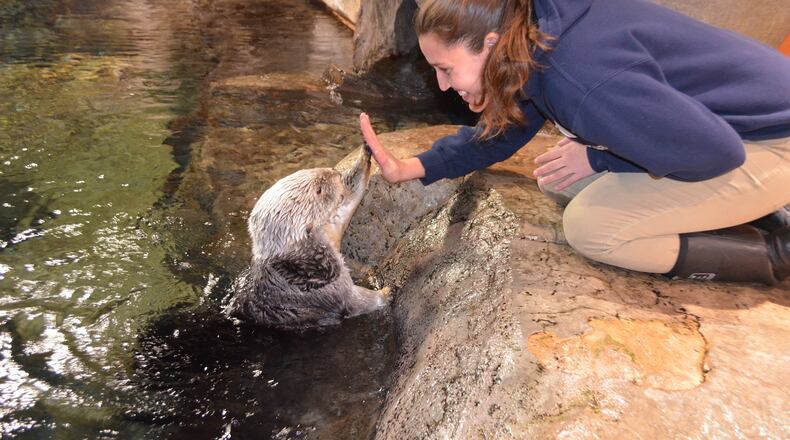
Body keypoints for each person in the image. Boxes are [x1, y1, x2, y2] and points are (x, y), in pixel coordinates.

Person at [359, 0, 790, 285]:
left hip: (770, 142)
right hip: (731, 126)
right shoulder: (532, 33)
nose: (441, 83)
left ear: (489, 44)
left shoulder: (579, 78)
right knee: (558, 180)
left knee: (592, 229)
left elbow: (715, 152)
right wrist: (413, 167)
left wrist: (601, 159)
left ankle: (774, 255)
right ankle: (752, 208)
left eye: (445, 69)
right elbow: (505, 130)